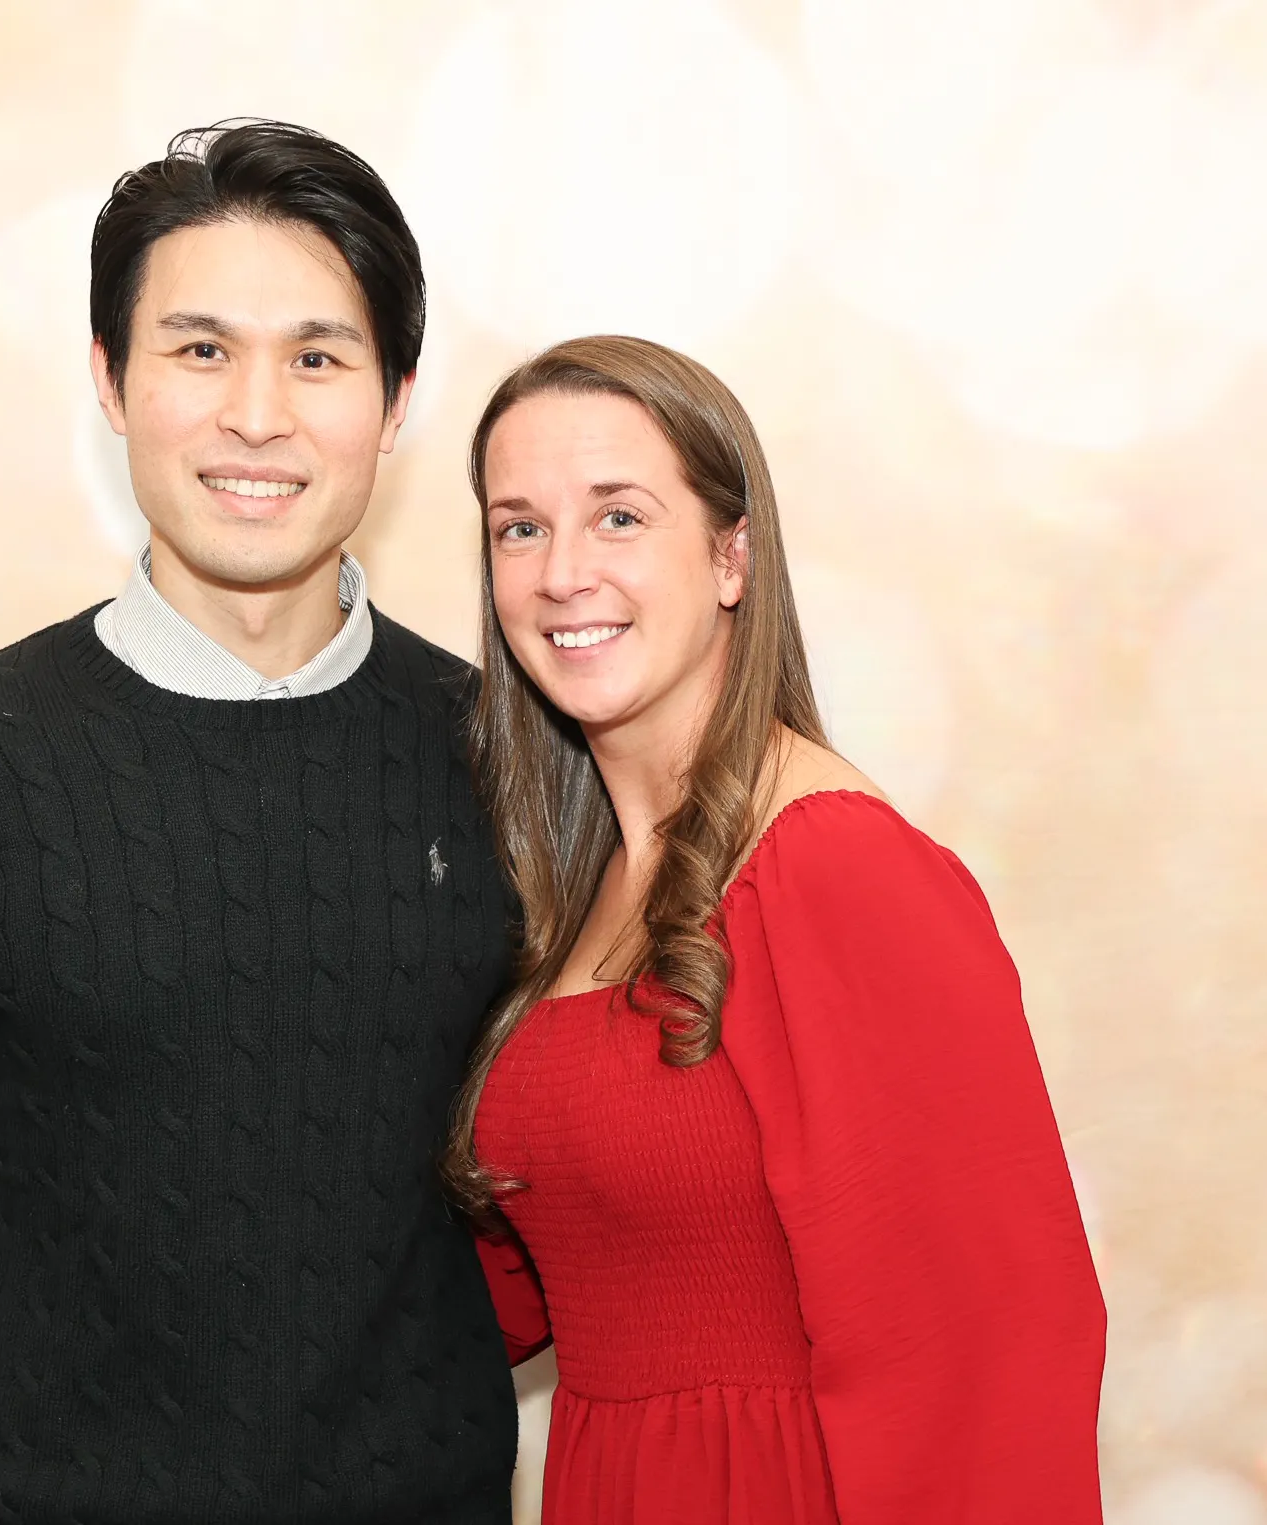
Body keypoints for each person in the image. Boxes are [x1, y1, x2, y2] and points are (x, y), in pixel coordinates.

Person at [0, 121, 520, 1525]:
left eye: (320, 357)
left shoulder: (508, 765)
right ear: (111, 381)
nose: (258, 415)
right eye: (201, 349)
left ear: (397, 401)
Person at [450, 335, 1107, 1523]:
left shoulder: (839, 867)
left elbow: (989, 1350)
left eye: (617, 518)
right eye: (519, 527)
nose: (560, 573)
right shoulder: (571, 889)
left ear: (730, 557)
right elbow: (507, 1282)